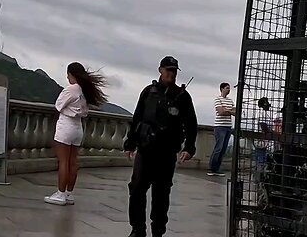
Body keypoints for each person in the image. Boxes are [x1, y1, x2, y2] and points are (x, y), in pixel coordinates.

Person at [123, 56, 198, 237]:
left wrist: (189, 147)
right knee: (137, 189)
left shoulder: (183, 97)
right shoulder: (148, 92)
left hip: (167, 152)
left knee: (161, 194)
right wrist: (130, 143)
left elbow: (191, 124)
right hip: (146, 149)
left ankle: (158, 231)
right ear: (160, 70)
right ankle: (137, 229)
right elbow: (137, 117)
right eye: (168, 70)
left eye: (173, 71)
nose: (171, 74)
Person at [44, 62, 108, 206]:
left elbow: (58, 105)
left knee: (63, 162)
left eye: (68, 74)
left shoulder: (71, 90)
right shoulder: (84, 91)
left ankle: (60, 193)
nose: (67, 77)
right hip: (78, 127)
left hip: (66, 126)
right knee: (73, 162)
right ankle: (69, 193)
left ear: (72, 74)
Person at [208, 82, 235, 177]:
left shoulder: (230, 101)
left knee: (223, 149)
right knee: (218, 148)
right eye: (227, 88)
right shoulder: (217, 99)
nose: (229, 90)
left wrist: (226, 111)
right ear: (222, 89)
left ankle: (217, 168)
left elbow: (236, 112)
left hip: (228, 127)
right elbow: (221, 112)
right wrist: (229, 111)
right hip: (220, 127)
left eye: (229, 88)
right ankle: (212, 168)